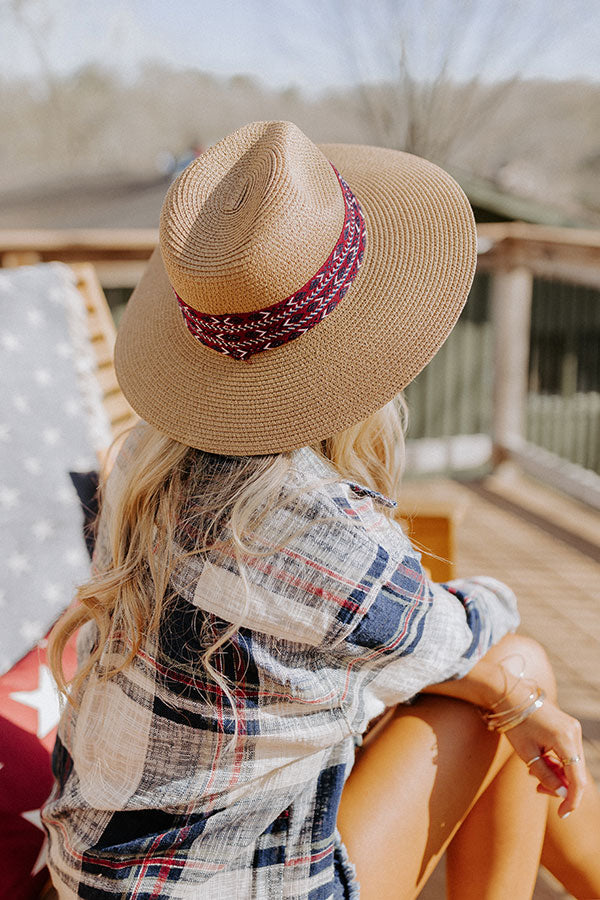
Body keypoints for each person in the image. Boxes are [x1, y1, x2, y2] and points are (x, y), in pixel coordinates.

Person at [43, 121, 600, 899]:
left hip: (94, 873)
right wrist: (516, 693)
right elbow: (469, 626)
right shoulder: (319, 529)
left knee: (506, 693)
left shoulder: (145, 459)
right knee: (518, 671)